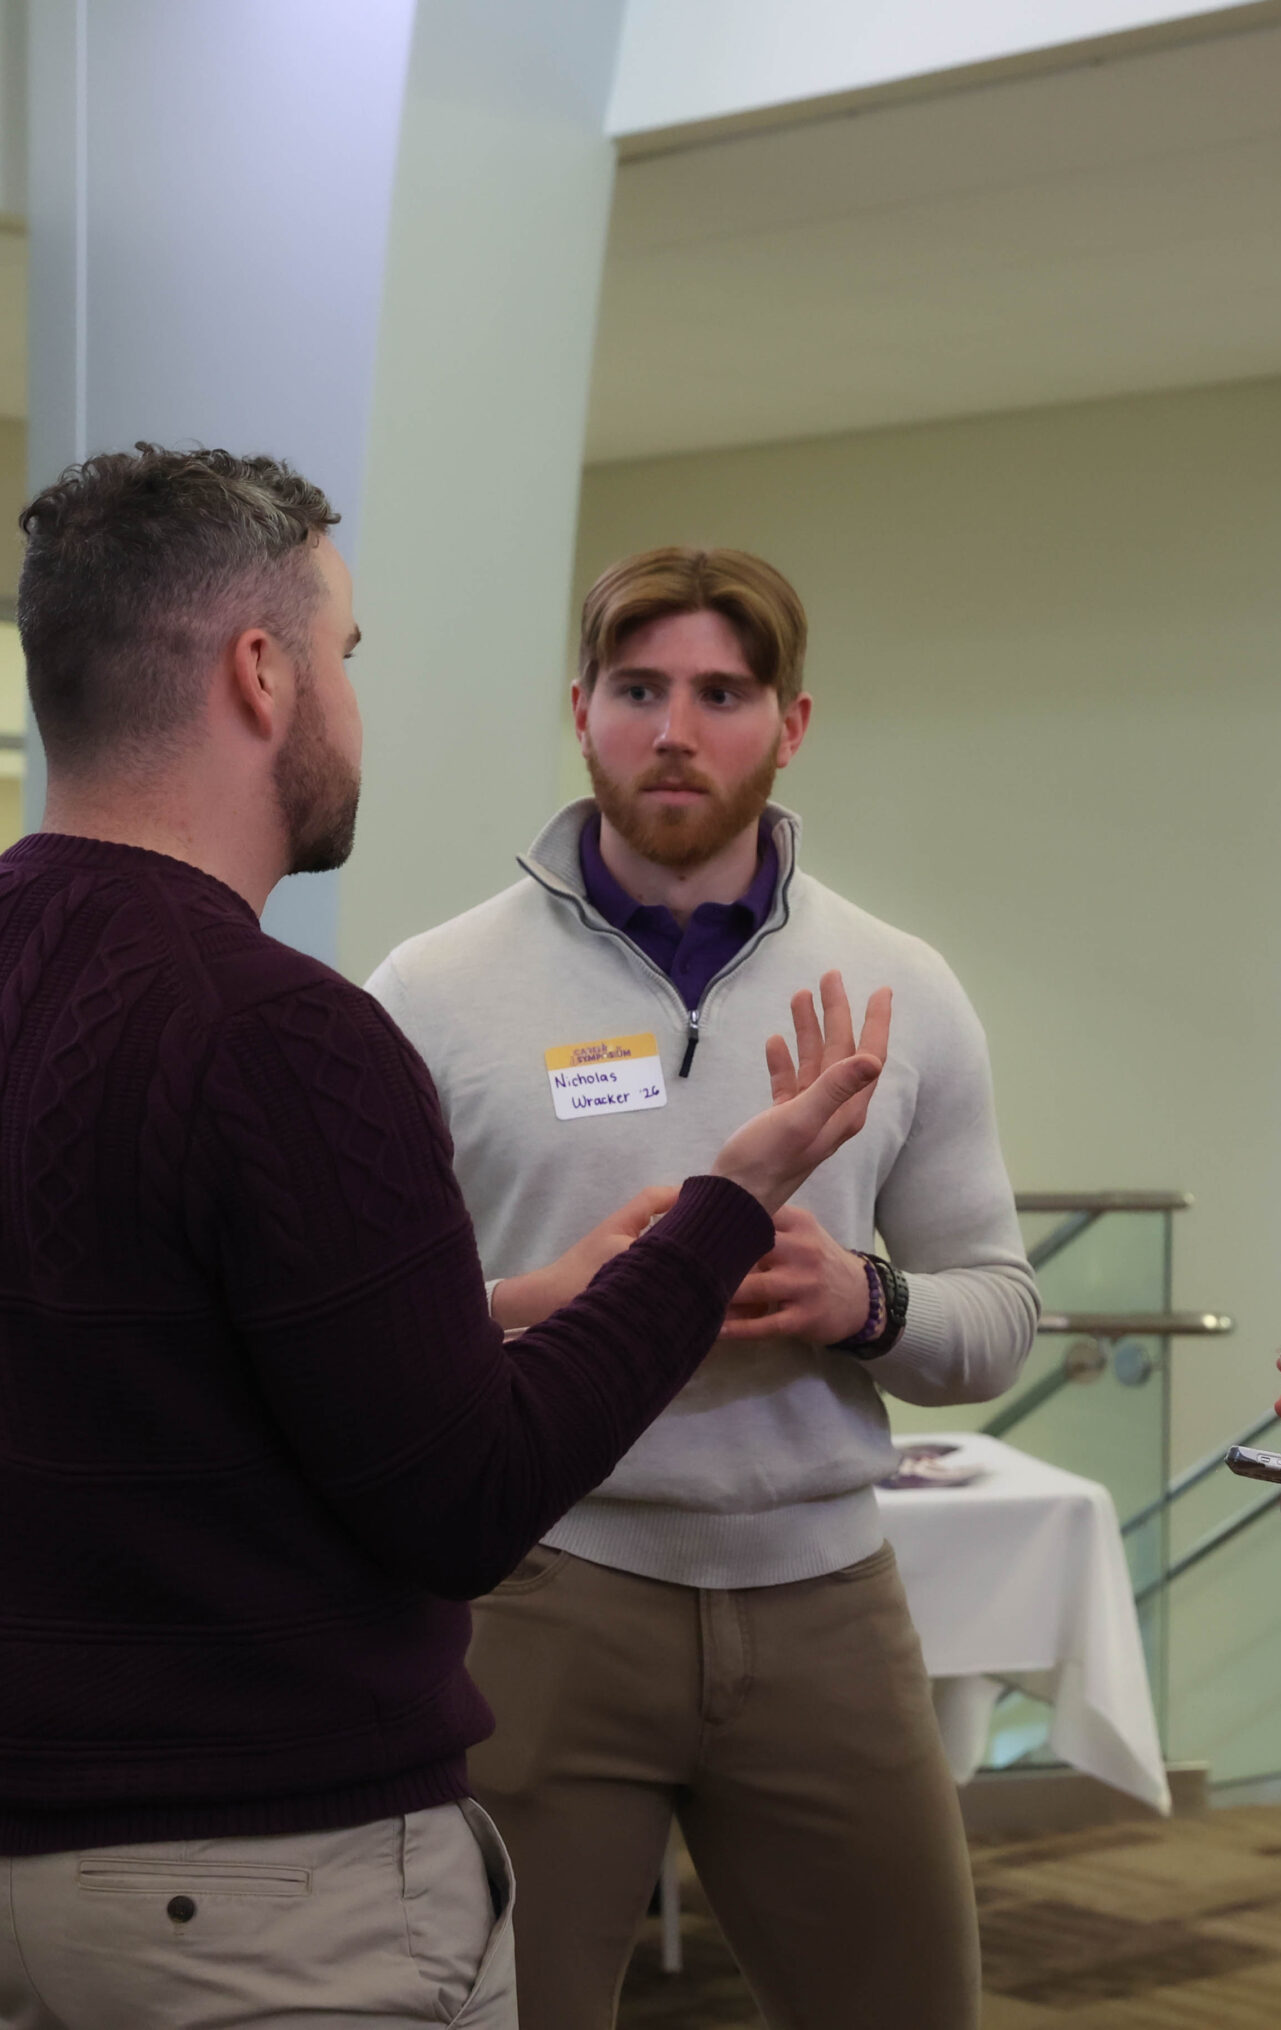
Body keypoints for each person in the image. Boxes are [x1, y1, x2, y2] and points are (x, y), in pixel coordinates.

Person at [0, 447, 891, 2030]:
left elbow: (151, 1341)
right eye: (348, 654)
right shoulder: (286, 1032)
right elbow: (463, 1499)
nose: (355, 705)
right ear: (260, 673)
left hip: (16, 1868)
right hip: (266, 1889)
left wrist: (507, 1299)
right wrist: (724, 1211)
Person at [365, 545, 1038, 2030]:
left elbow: (997, 1310)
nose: (677, 727)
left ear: (790, 725)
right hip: (539, 1589)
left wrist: (858, 1297)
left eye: (723, 692)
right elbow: (360, 1331)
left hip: (824, 1602)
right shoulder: (433, 989)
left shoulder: (900, 983)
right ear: (583, 711)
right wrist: (550, 1297)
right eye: (639, 687)